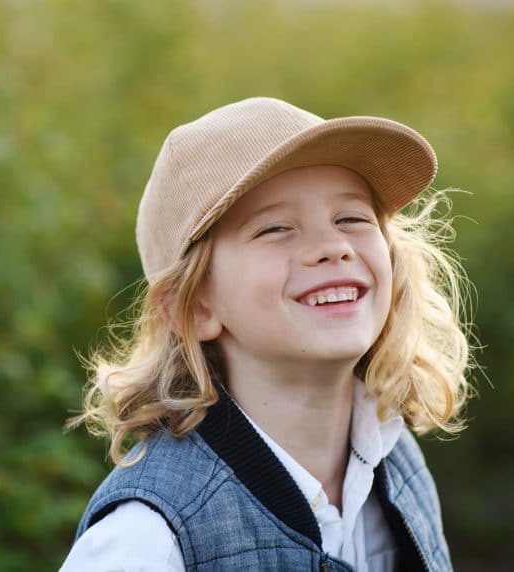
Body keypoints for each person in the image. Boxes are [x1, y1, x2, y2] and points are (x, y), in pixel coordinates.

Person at [60, 97, 476, 571]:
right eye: (275, 228)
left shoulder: (401, 468)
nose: (332, 247)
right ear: (193, 306)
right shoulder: (145, 540)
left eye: (351, 218)